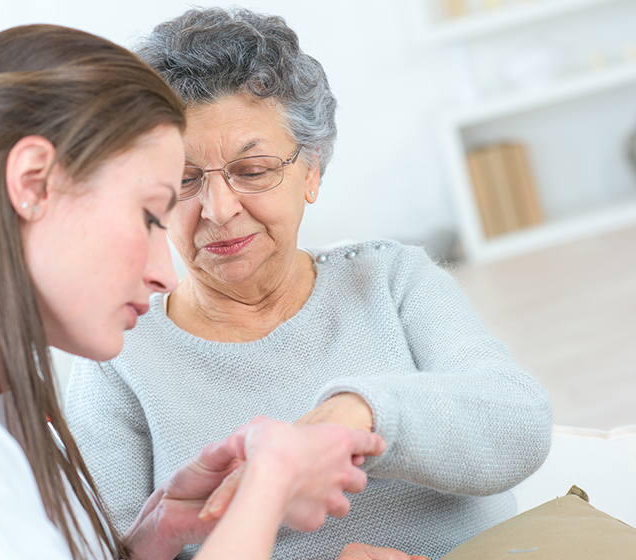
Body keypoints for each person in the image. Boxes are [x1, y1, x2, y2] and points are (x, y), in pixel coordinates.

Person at [0, 24, 390, 560]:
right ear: (33, 182)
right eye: (152, 214)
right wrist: (269, 485)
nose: (166, 273)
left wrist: (143, 543)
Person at [65, 8, 553, 560]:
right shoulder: (120, 352)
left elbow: (520, 423)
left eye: (252, 171)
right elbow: (109, 550)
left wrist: (354, 417)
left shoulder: (392, 280)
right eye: (183, 180)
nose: (219, 210)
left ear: (312, 169)